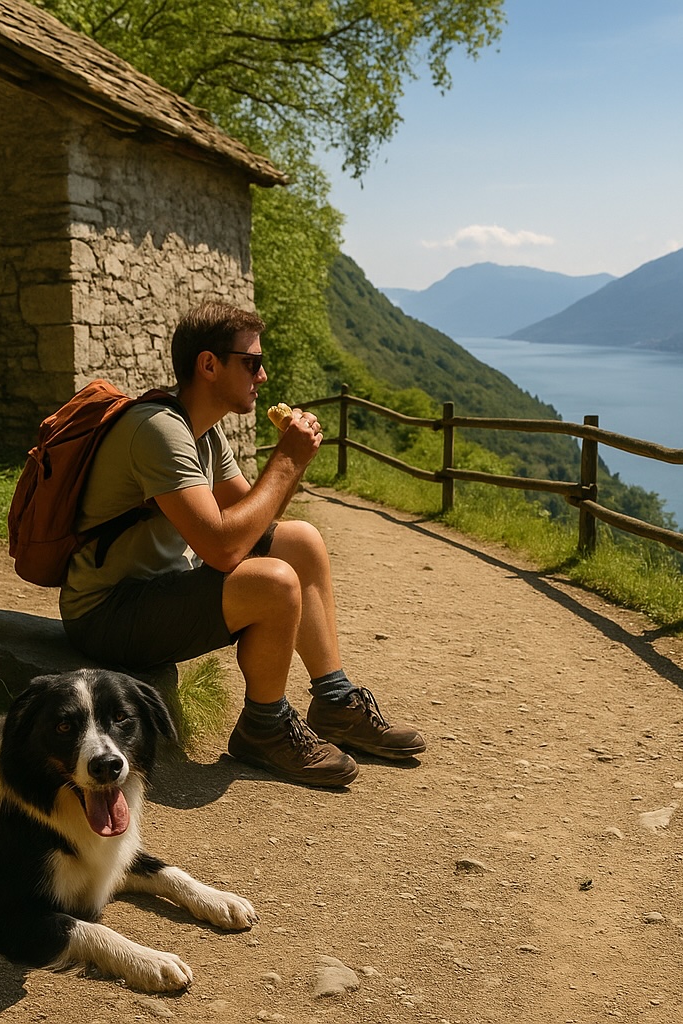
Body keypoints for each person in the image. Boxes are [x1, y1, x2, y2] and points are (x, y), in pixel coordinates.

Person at [60, 301, 425, 787]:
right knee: (272, 582)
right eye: (252, 363)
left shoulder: (202, 434)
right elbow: (223, 548)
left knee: (300, 540)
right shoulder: (158, 430)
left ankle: (335, 703)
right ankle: (265, 728)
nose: (264, 375)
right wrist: (287, 462)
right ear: (209, 365)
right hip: (106, 612)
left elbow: (255, 518)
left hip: (158, 592)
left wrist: (290, 463)